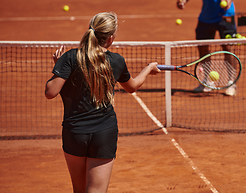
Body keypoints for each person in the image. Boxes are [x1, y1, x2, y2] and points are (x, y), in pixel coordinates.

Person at [45, 12, 160, 193]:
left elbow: (51, 92)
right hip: (104, 133)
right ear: (111, 38)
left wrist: (59, 68)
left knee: (79, 190)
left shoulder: (70, 57)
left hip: (75, 133)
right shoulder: (116, 61)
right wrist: (148, 69)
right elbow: (132, 87)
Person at [177, 0, 240, 96]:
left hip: (225, 14)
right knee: (203, 46)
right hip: (206, 15)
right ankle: (207, 81)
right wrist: (185, 0)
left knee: (227, 47)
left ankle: (231, 83)